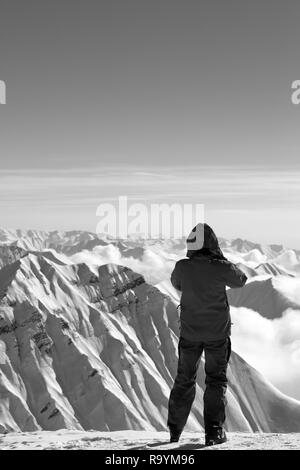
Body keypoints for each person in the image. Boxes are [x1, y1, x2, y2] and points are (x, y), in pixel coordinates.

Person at [167, 223, 247, 446]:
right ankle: (213, 432)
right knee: (215, 380)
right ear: (212, 244)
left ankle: (174, 431)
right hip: (217, 335)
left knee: (184, 379)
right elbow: (241, 280)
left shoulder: (182, 267)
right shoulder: (220, 267)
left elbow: (177, 284)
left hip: (190, 333)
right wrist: (221, 260)